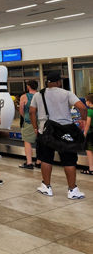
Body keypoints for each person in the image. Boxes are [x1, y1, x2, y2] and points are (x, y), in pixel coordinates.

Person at [30, 71, 87, 199]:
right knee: (69, 161)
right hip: (65, 131)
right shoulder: (66, 93)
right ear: (58, 82)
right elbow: (82, 108)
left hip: (45, 131)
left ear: (47, 82)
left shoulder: (39, 94)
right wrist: (82, 121)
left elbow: (32, 111)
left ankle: (46, 187)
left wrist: (35, 127)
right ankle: (72, 190)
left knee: (45, 159)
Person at [18, 80, 41, 169]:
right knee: (39, 141)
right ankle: (39, 161)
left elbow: (21, 110)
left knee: (27, 141)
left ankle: (29, 162)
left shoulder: (24, 96)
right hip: (40, 121)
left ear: (28, 86)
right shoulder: (40, 95)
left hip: (29, 121)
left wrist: (25, 117)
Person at [81, 94, 93, 175]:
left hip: (90, 134)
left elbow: (87, 124)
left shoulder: (89, 111)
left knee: (89, 151)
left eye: (86, 100)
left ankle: (91, 169)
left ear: (89, 102)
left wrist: (84, 133)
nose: (85, 102)